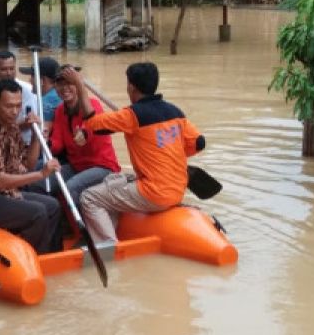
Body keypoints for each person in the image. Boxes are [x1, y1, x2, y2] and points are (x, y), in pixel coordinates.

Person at [71, 63, 205, 253]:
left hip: (154, 193)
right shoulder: (176, 113)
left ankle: (107, 247)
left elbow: (93, 123)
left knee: (89, 197)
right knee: (113, 179)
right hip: (177, 188)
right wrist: (166, 150)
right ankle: (112, 227)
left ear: (131, 86)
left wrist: (80, 86)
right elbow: (199, 143)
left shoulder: (131, 116)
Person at [0, 79, 63, 255]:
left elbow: (26, 165)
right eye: (9, 106)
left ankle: (50, 255)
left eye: (18, 106)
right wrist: (41, 174)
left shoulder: (12, 128)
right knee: (38, 212)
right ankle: (28, 257)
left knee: (53, 206)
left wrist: (37, 137)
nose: (15, 112)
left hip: (5, 194)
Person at [47, 64, 120, 209]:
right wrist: (44, 141)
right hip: (77, 166)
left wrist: (84, 134)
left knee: (69, 188)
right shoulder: (60, 110)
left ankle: (80, 229)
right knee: (43, 182)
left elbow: (93, 128)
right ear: (55, 87)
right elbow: (57, 144)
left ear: (78, 85)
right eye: (60, 84)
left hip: (102, 167)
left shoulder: (93, 104)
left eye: (69, 83)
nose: (65, 88)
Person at [0, 49, 39, 144]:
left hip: (26, 143)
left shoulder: (29, 90)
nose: (9, 73)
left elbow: (32, 122)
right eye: (4, 69)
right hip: (2, 142)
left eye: (12, 68)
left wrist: (5, 127)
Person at [20, 56, 62, 121]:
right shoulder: (60, 95)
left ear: (42, 80)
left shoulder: (45, 102)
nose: (30, 80)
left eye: (32, 76)